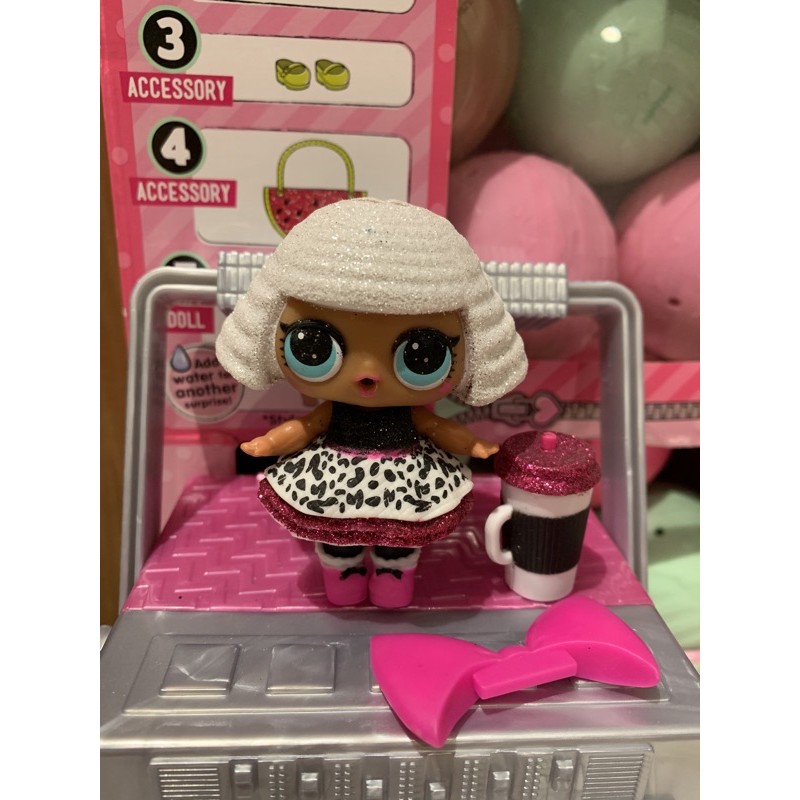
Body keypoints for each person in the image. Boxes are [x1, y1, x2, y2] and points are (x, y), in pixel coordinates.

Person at [216, 197, 527, 607]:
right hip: (331, 476)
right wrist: (269, 443)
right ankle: (343, 573)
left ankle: (392, 575)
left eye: (423, 356)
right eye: (312, 346)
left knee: (401, 538)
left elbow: (437, 427)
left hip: (407, 477)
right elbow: (305, 428)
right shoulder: (334, 409)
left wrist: (474, 445)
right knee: (335, 536)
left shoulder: (410, 410)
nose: (367, 374)